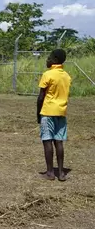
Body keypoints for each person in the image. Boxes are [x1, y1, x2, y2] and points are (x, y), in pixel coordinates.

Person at [37, 49, 71, 182]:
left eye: (49, 57)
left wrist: (38, 114)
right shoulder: (67, 76)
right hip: (61, 112)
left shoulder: (48, 74)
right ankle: (61, 173)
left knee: (47, 141)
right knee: (59, 141)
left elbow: (41, 97)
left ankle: (50, 172)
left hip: (48, 111)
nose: (47, 59)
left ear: (55, 60)